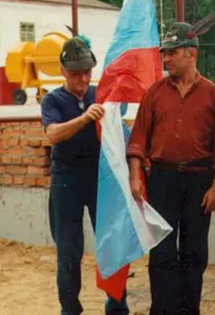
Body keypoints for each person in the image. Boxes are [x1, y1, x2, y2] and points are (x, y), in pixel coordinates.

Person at [126, 20, 215, 315]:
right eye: (164, 53)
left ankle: (188, 310)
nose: (166, 58)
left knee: (195, 252)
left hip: (200, 181)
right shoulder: (154, 93)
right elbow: (138, 140)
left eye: (172, 52)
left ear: (191, 54)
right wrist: (135, 177)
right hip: (162, 180)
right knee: (162, 253)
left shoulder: (214, 95)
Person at [41, 36, 129, 315]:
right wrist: (84, 118)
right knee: (68, 249)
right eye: (76, 72)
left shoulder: (100, 93)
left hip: (99, 176)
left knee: (112, 244)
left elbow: (122, 113)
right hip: (66, 179)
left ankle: (117, 305)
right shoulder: (53, 100)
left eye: (87, 71)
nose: (82, 77)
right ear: (62, 71)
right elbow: (53, 134)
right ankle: (70, 309)